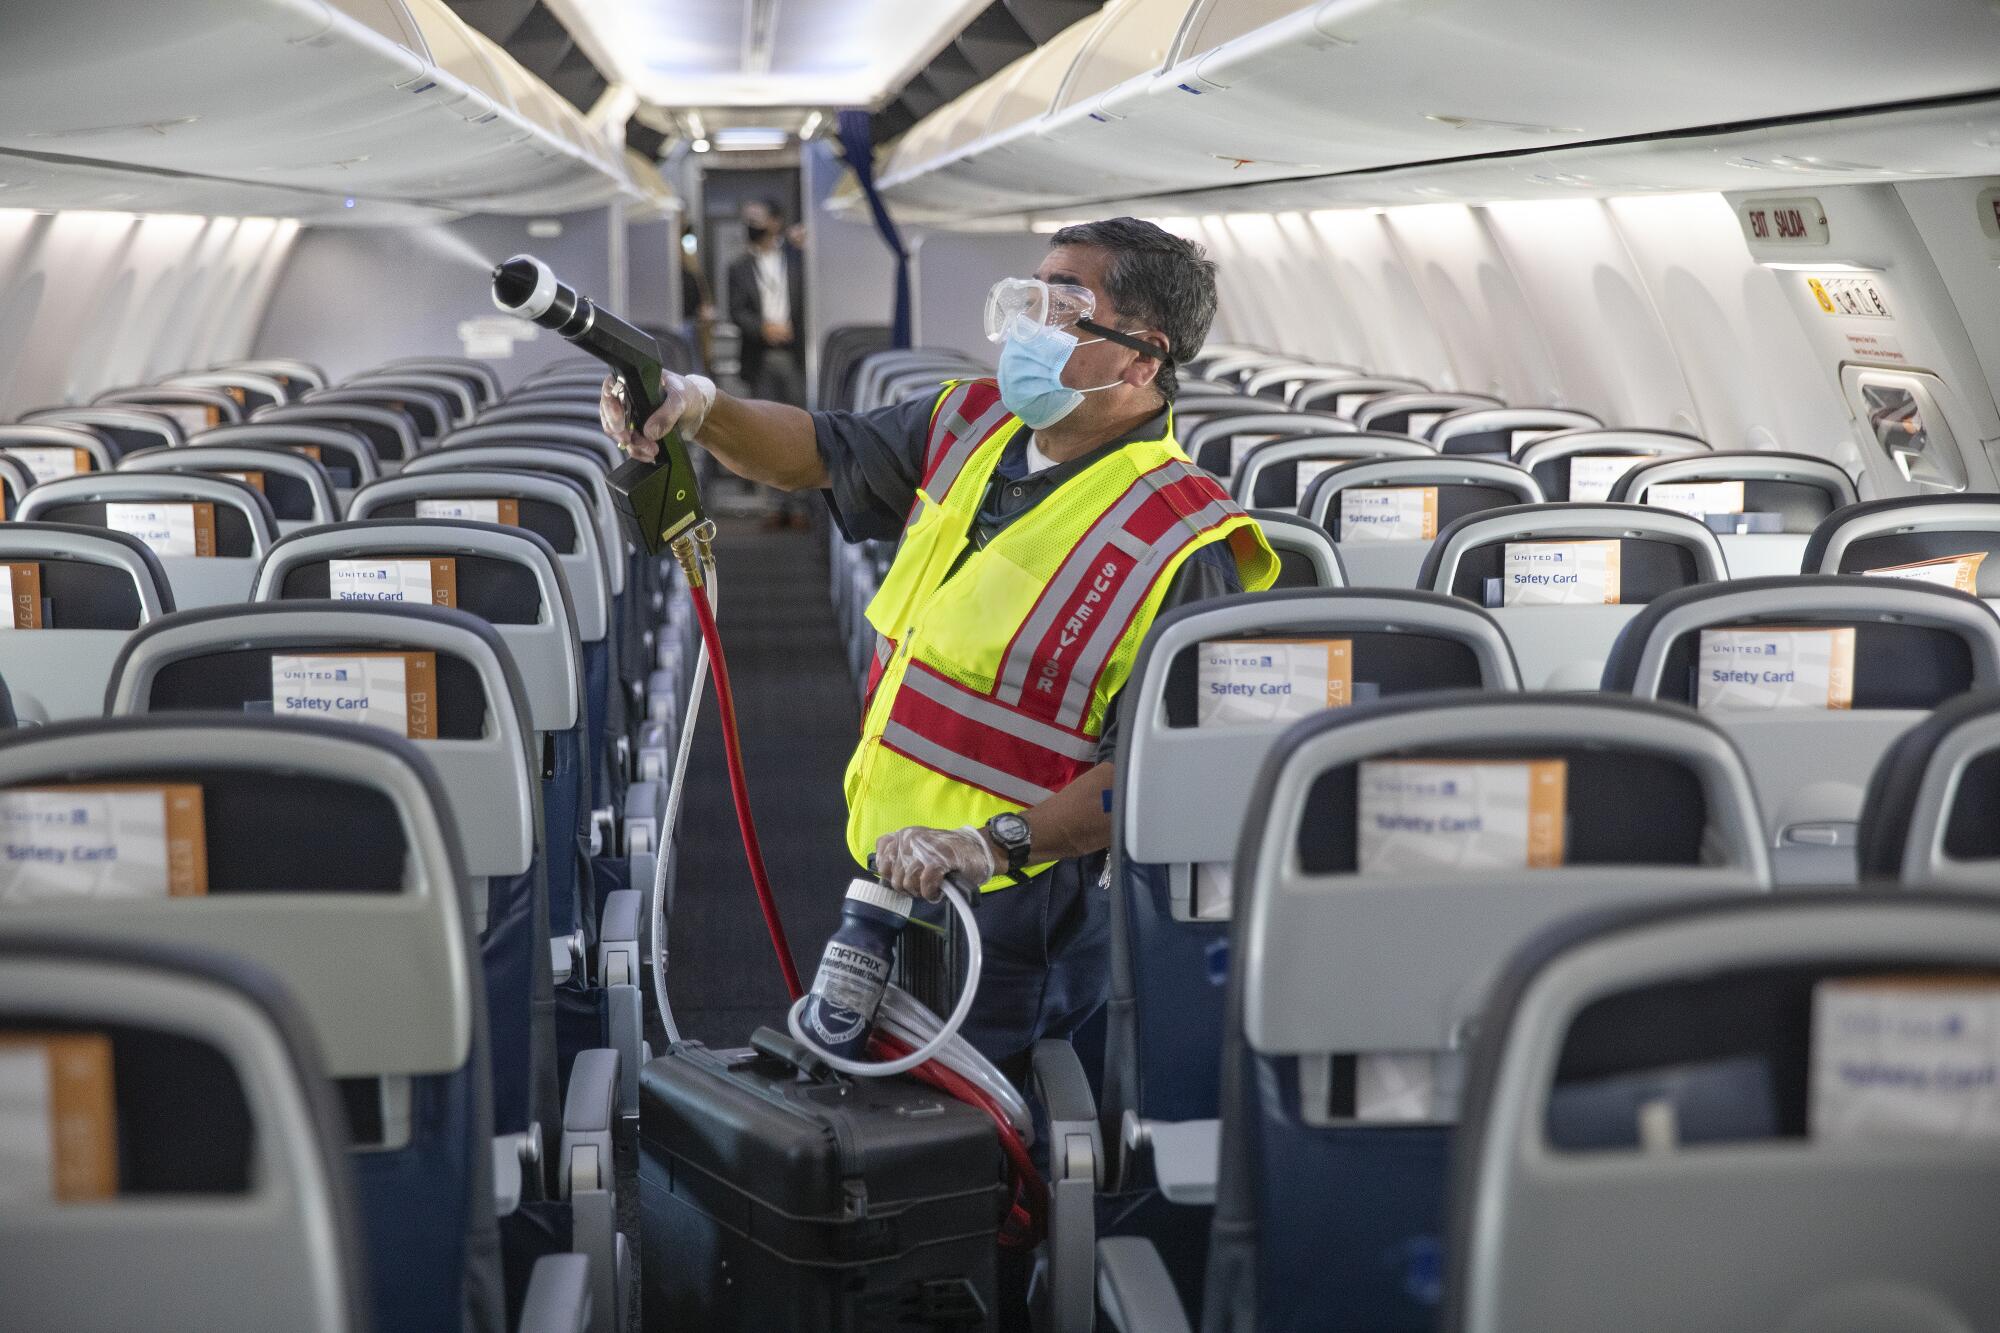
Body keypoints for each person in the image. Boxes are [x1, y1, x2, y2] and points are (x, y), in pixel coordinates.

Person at [602, 216, 1277, 1075]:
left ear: (1141, 357)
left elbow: (1158, 773)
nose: (1029, 329)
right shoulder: (972, 424)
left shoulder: (1185, 540)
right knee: (879, 1121)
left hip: (1015, 907)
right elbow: (817, 451)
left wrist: (993, 845)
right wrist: (697, 408)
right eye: (1027, 299)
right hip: (887, 866)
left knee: (987, 1147)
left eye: (1062, 309)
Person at [726, 199, 806, 408]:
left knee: (798, 414)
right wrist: (762, 329)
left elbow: (808, 301)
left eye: (758, 219)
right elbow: (736, 311)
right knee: (762, 414)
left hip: (795, 352)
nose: (752, 225)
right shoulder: (739, 267)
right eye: (749, 220)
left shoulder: (797, 259)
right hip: (758, 355)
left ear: (775, 222)